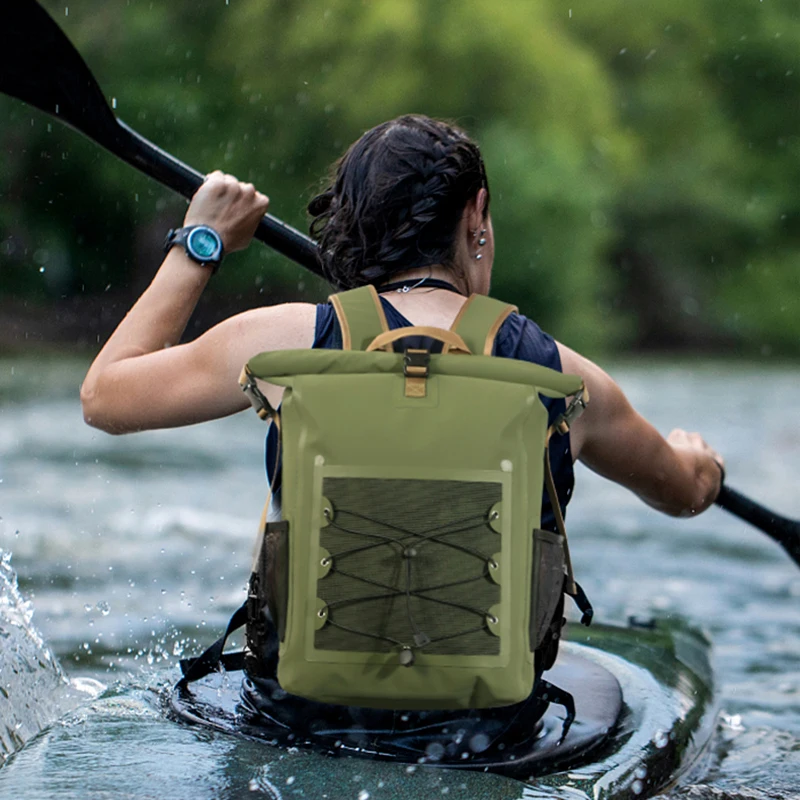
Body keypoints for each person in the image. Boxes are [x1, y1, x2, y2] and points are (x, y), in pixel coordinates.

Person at [80, 114, 723, 759]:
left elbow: (104, 397)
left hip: (294, 720)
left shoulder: (284, 346)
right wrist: (702, 463)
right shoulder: (562, 377)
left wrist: (202, 240)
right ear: (477, 215)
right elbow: (685, 492)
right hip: (485, 735)